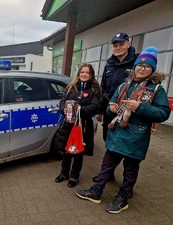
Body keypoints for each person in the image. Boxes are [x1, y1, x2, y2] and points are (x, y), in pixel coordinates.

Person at [75, 46, 171, 214]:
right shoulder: (124, 86)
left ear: (152, 69)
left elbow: (163, 113)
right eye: (139, 65)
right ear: (134, 67)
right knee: (106, 165)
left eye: (147, 66)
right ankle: (96, 192)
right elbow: (110, 106)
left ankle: (123, 198)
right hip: (116, 132)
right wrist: (110, 109)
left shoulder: (157, 89)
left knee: (130, 170)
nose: (142, 68)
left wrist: (139, 107)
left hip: (136, 137)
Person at [93, 32, 138, 183]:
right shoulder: (109, 64)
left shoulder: (137, 62)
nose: (118, 48)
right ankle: (108, 174)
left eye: (121, 44)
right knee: (108, 139)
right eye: (115, 45)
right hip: (109, 110)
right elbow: (103, 87)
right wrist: (100, 109)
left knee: (126, 144)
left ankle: (127, 182)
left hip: (128, 112)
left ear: (128, 44)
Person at [54, 64, 101, 188]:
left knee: (78, 151)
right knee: (66, 150)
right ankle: (64, 173)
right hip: (68, 124)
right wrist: (64, 109)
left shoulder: (95, 89)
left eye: (87, 72)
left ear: (91, 75)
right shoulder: (71, 87)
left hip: (83, 125)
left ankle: (74, 176)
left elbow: (94, 107)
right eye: (82, 72)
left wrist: (77, 109)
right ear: (79, 73)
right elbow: (62, 101)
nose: (84, 74)